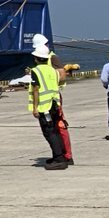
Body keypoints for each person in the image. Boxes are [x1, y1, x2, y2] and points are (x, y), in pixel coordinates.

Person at [31, 33, 73, 164]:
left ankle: (65, 156)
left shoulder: (52, 58)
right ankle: (60, 155)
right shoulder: (45, 63)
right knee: (54, 128)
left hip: (50, 100)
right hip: (52, 98)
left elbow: (61, 77)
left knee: (56, 128)